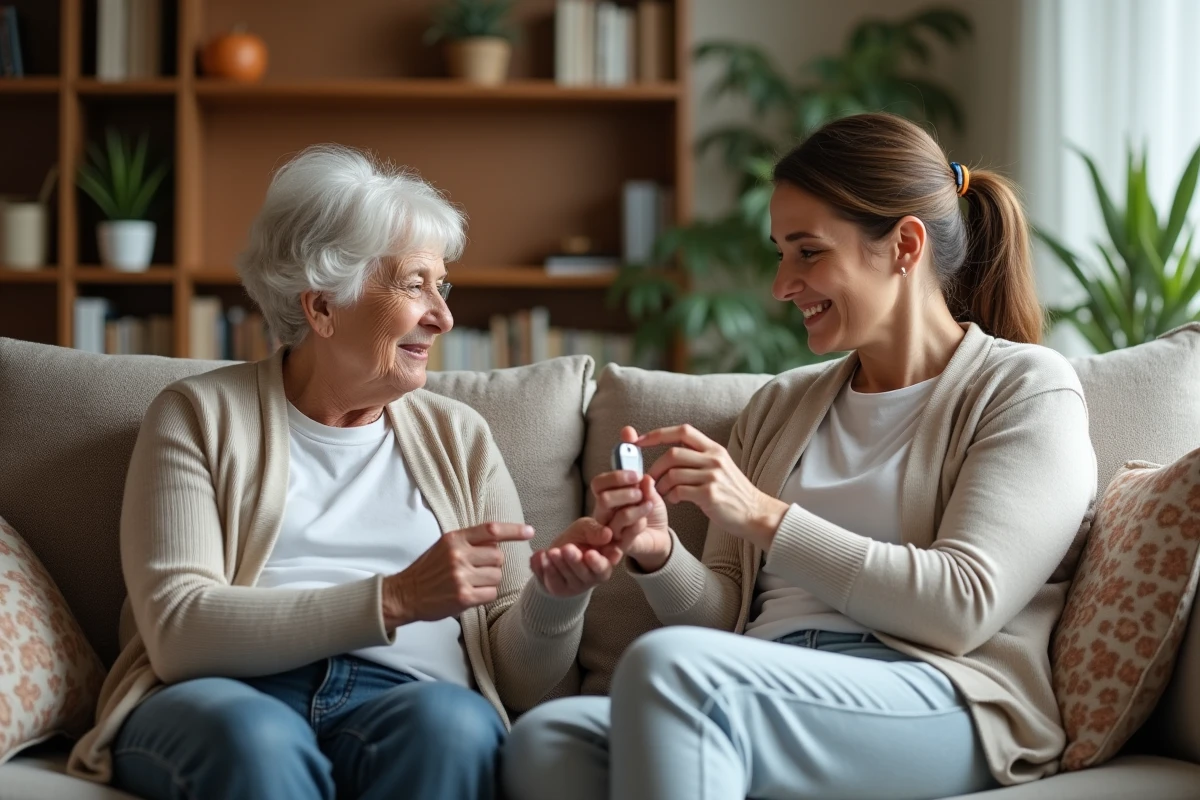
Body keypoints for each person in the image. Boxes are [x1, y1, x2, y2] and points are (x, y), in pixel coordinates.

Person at [503, 113, 1098, 800]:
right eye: (781, 253)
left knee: (676, 673)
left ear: (904, 245)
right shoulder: (782, 407)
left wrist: (763, 515)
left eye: (808, 252)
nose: (782, 284)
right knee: (550, 739)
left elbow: (961, 606)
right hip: (768, 681)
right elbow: (723, 621)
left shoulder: (1025, 387)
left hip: (944, 693)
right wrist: (659, 554)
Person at [67, 144, 625, 800]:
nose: (443, 316)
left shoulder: (460, 439)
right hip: (227, 696)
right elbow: (177, 629)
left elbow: (519, 681)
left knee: (455, 729)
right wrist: (397, 598)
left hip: (409, 698)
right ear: (323, 307)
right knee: (256, 741)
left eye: (442, 287)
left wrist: (555, 598)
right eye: (415, 284)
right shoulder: (199, 415)